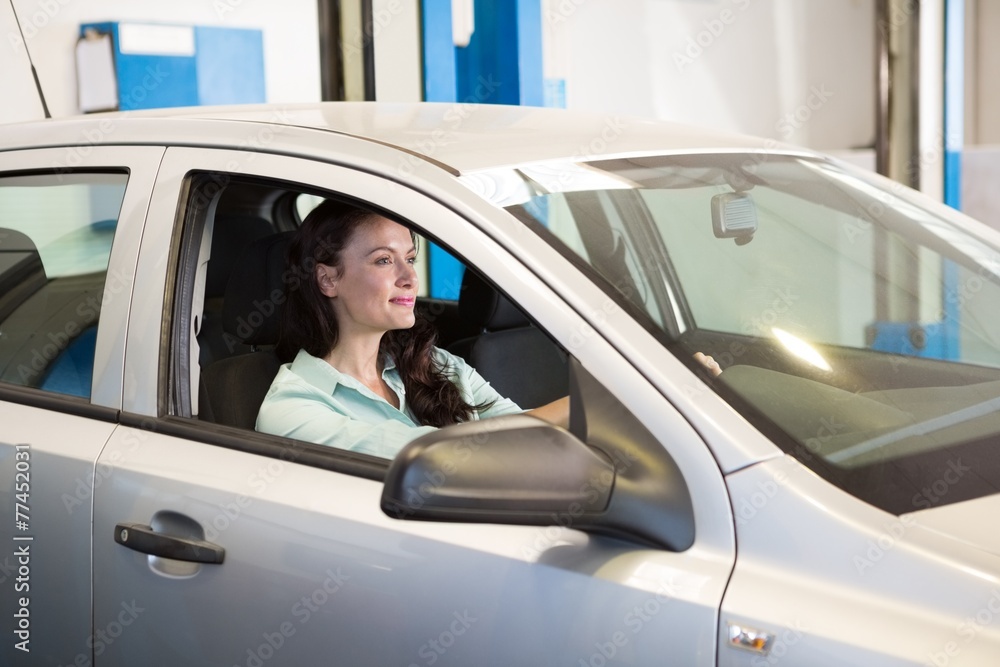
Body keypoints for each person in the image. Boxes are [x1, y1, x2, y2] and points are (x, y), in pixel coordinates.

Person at [256, 200, 569, 458]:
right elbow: (436, 455)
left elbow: (524, 431)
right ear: (328, 280)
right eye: (383, 260)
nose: (409, 277)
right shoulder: (293, 410)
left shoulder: (437, 363)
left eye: (410, 258)